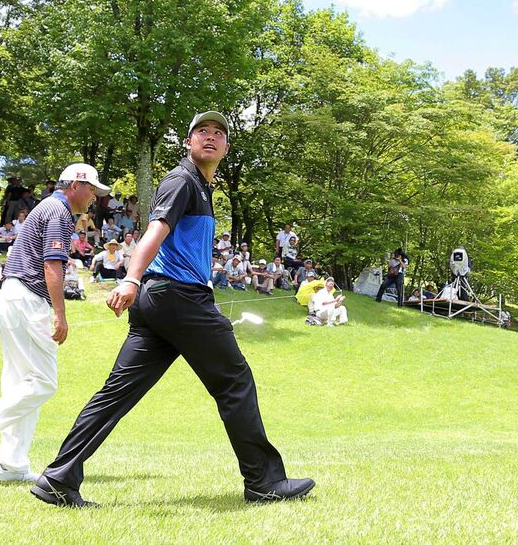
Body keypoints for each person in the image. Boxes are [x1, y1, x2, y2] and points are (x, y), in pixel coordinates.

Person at [34, 111, 312, 508]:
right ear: (188, 142)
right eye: (202, 132)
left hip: (159, 304)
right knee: (234, 381)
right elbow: (155, 231)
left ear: (227, 147)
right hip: (179, 299)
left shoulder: (200, 186)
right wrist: (130, 278)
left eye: (219, 133)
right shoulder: (182, 180)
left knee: (116, 393)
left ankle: (58, 478)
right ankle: (264, 482)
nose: (211, 137)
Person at [0, 163, 109, 485]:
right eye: (92, 188)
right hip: (28, 301)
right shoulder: (59, 213)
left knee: (21, 384)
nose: (94, 196)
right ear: (77, 184)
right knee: (43, 382)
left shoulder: (50, 208)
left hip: (13, 298)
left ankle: (12, 465)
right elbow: (53, 266)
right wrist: (60, 313)